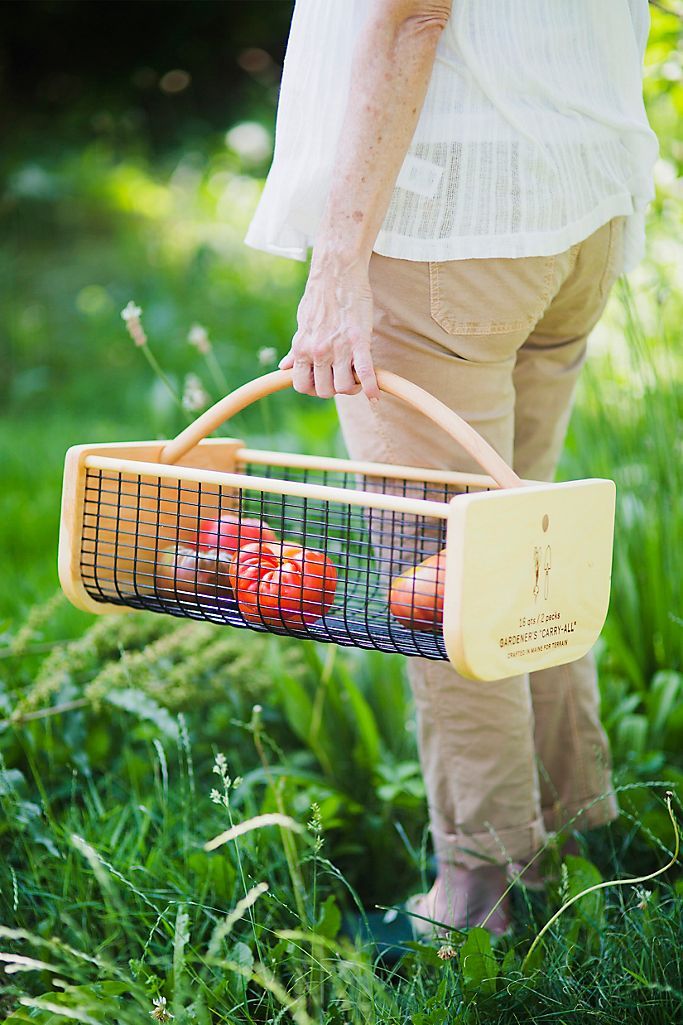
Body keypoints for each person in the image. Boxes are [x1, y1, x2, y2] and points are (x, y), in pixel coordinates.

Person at [244, 0, 659, 936]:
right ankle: (573, 832)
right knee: (517, 550)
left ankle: (481, 890)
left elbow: (410, 14)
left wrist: (336, 262)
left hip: (444, 221)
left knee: (440, 578)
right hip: (573, 206)